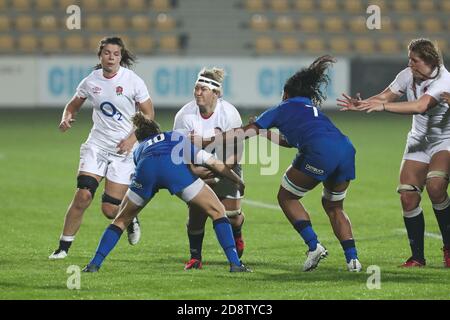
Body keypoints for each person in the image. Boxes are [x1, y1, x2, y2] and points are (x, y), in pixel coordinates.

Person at [208, 55, 361, 272]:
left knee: (287, 196)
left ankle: (313, 246)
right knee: (334, 206)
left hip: (319, 151)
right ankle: (353, 260)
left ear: (286, 94)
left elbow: (245, 133)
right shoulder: (312, 110)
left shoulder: (281, 108)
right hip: (346, 150)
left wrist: (215, 139)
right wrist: (263, 132)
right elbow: (288, 141)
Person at [82, 113, 251, 273]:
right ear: (157, 130)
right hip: (173, 170)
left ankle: (94, 264)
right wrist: (237, 180)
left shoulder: (139, 149)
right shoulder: (173, 136)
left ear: (140, 138)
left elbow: (139, 172)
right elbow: (213, 162)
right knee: (217, 211)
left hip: (146, 170)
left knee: (120, 220)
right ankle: (235, 264)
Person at [338, 38, 450, 268]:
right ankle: (417, 257)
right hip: (418, 141)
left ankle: (448, 247)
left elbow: (420, 106)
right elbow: (385, 96)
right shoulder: (407, 75)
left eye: (414, 60)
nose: (410, 64)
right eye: (409, 59)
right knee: (407, 196)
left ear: (428, 60)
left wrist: (383, 107)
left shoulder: (444, 80)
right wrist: (363, 104)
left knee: (436, 187)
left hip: (444, 140)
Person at [49, 37, 154, 259]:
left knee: (109, 210)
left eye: (116, 54)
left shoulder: (133, 81)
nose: (111, 57)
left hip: (123, 151)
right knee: (83, 195)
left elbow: (148, 114)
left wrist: (132, 138)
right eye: (107, 53)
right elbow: (73, 105)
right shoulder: (91, 81)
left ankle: (131, 218)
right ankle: (62, 248)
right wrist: (67, 117)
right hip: (96, 145)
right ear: (100, 55)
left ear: (121, 57)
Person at [173, 67, 246, 270]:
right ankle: (195, 257)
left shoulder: (229, 113)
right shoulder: (184, 115)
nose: (197, 93)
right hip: (197, 170)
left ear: (215, 93)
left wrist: (219, 172)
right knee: (196, 214)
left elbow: (236, 152)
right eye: (196, 88)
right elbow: (179, 151)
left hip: (226, 167)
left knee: (231, 218)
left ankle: (237, 232)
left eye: (203, 89)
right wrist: (194, 172)